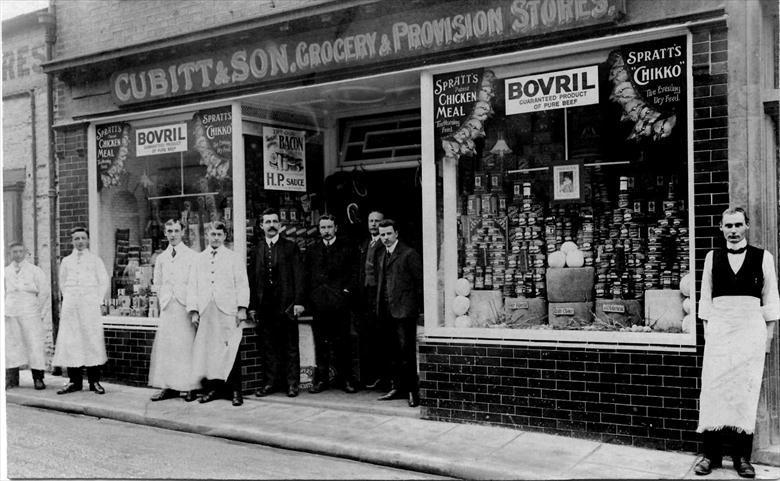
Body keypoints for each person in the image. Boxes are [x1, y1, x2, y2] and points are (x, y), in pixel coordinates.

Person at [695, 207, 779, 478]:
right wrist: (710, 335)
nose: (733, 230)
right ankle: (711, 455)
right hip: (719, 334)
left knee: (745, 392)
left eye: (738, 225)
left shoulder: (763, 257)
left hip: (749, 335)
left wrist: (766, 339)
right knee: (714, 390)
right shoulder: (712, 257)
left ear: (747, 226)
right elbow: (705, 300)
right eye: (728, 225)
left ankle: (742, 457)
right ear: (721, 228)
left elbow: (771, 301)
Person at [187, 222, 250, 407]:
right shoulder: (199, 259)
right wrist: (194, 310)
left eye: (219, 234)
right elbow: (193, 285)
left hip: (227, 310)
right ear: (207, 235)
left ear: (224, 236)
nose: (215, 237)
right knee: (210, 352)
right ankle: (214, 389)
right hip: (207, 311)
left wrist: (242, 308)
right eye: (213, 234)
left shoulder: (233, 258)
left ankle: (235, 390)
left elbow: (242, 283)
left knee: (231, 349)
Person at [250, 208, 305, 398]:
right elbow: (252, 279)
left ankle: (292, 384)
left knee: (290, 346)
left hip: (286, 304)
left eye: (275, 222)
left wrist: (298, 301)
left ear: (280, 226)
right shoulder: (257, 249)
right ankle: (270, 383)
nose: (271, 225)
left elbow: (299, 276)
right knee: (269, 346)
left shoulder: (290, 247)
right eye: (268, 222)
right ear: (261, 226)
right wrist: (253, 306)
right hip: (266, 306)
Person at [305, 214, 358, 394]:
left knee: (343, 343)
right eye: (323, 228)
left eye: (329, 227)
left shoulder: (347, 248)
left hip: (340, 304)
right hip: (319, 305)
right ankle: (321, 380)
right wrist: (312, 297)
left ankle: (346, 380)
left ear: (335, 228)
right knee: (321, 344)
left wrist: (345, 293)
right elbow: (307, 276)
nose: (326, 231)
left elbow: (354, 274)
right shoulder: (312, 250)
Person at [53, 227, 109, 395]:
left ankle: (94, 382)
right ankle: (74, 382)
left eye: (83, 238)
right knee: (71, 342)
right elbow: (62, 283)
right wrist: (70, 297)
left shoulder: (95, 260)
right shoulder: (66, 261)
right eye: (76, 239)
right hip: (71, 307)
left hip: (89, 306)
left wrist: (95, 300)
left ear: (88, 240)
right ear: (72, 241)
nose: (80, 242)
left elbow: (103, 281)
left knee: (91, 341)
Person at [148, 219, 199, 402]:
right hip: (168, 307)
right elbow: (157, 282)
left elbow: (195, 285)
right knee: (168, 348)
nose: (173, 234)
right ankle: (169, 386)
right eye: (169, 231)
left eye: (176, 230)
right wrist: (163, 300)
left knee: (185, 346)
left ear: (182, 232)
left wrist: (194, 309)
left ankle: (189, 387)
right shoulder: (161, 258)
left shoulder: (192, 256)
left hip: (185, 307)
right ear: (165, 233)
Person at [375, 219, 423, 407]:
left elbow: (419, 283)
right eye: (382, 234)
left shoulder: (409, 254)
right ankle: (397, 387)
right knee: (392, 351)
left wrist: (415, 309)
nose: (385, 238)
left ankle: (413, 391)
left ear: (396, 233)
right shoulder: (382, 254)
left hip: (404, 312)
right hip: (387, 310)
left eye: (388, 233)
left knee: (406, 353)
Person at [5, 242, 50, 390]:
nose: (17, 254)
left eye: (20, 251)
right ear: (10, 254)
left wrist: (39, 312)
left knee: (34, 344)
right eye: (14, 252)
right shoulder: (5, 272)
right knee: (11, 345)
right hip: (11, 312)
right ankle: (11, 378)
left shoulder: (34, 271)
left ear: (25, 253)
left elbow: (44, 292)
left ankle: (38, 378)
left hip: (30, 311)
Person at [356, 210, 386, 389]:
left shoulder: (385, 244)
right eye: (371, 221)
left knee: (380, 337)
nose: (373, 224)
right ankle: (369, 376)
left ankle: (382, 377)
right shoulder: (365, 243)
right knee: (366, 336)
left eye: (377, 221)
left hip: (379, 296)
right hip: (365, 296)